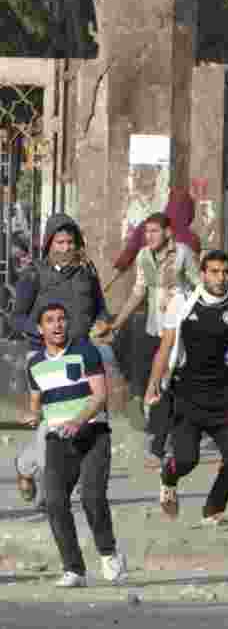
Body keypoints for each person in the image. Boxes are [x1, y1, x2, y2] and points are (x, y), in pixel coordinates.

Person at [145, 250, 228, 526]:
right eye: (214, 271)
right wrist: (153, 384)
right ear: (203, 274)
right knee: (187, 460)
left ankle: (213, 509)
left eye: (225, 272)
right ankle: (169, 476)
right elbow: (165, 347)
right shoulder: (183, 302)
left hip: (224, 397)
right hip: (186, 395)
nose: (221, 277)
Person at [20, 303, 128, 587]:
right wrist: (33, 416)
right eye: (50, 321)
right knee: (55, 503)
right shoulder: (34, 364)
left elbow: (99, 396)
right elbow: (36, 405)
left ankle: (108, 552)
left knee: (92, 498)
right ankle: (74, 569)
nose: (58, 325)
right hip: (58, 441)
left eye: (62, 320)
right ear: (40, 328)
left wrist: (77, 421)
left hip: (93, 434)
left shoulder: (85, 350)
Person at [12, 214, 113, 508]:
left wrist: (103, 323)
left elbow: (101, 311)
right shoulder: (34, 274)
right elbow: (17, 317)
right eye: (60, 242)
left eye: (70, 242)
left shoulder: (87, 274)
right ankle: (45, 483)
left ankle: (78, 481)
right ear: (49, 244)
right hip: (45, 358)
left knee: (91, 417)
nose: (66, 248)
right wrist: (43, 334)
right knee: (53, 423)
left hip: (82, 355)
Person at [100, 212, 201, 464]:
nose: (149, 236)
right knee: (156, 380)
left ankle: (160, 442)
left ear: (168, 232)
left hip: (181, 328)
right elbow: (138, 293)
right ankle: (162, 437)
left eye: (155, 231)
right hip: (155, 327)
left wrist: (183, 302)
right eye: (146, 232)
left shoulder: (183, 253)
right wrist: (116, 324)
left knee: (169, 381)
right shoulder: (144, 256)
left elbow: (200, 286)